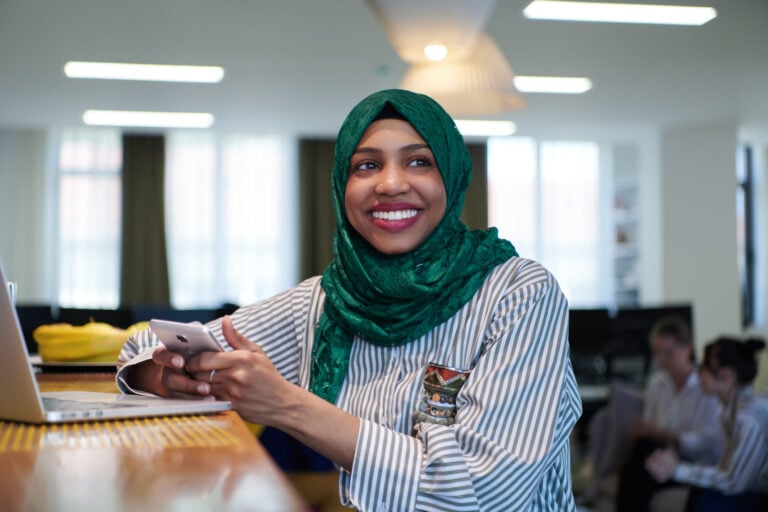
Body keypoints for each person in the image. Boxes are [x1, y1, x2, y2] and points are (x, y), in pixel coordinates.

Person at [116, 89, 582, 511]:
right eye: (367, 165)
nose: (391, 184)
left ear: (453, 178)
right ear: (343, 186)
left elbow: (486, 492)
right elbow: (141, 347)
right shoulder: (325, 300)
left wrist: (287, 407)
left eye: (419, 161)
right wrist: (168, 378)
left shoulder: (519, 293)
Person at [615, 315, 724, 512]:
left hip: (691, 461)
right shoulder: (657, 384)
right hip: (659, 455)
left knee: (637, 468)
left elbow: (707, 444)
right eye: (657, 353)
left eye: (668, 353)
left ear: (688, 348)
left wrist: (664, 434)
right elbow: (651, 430)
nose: (661, 360)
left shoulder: (706, 387)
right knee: (640, 457)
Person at [646, 336, 768, 511]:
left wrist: (676, 470)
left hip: (761, 496)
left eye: (705, 366)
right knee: (700, 493)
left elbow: (734, 482)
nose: (699, 372)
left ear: (726, 374)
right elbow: (726, 469)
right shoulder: (730, 412)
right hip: (751, 490)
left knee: (708, 503)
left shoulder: (748, 416)